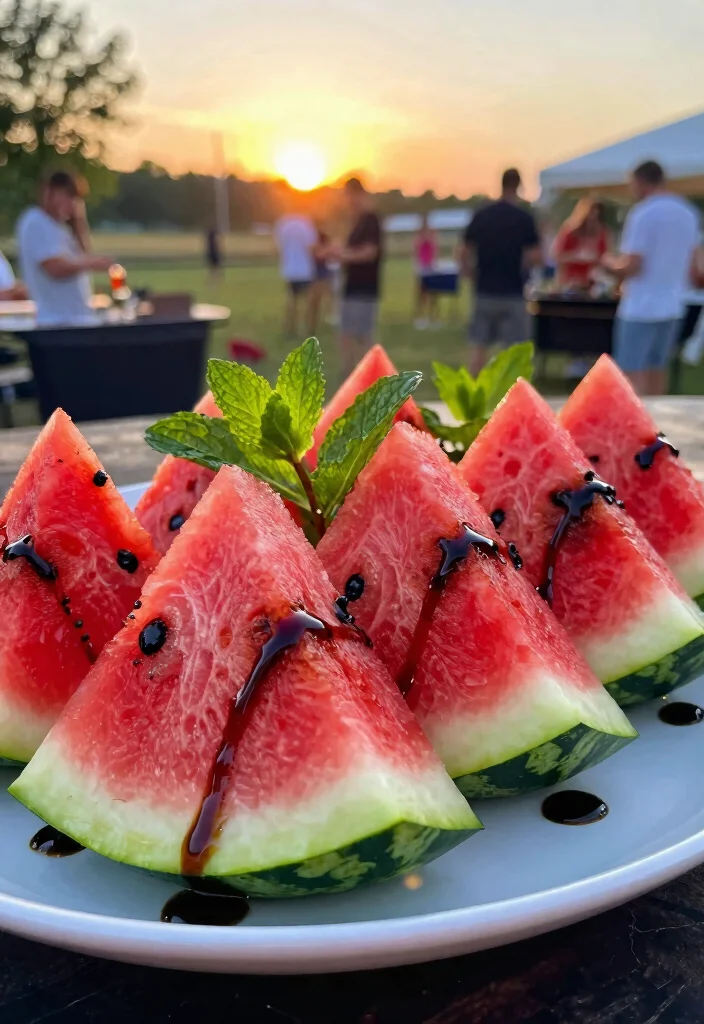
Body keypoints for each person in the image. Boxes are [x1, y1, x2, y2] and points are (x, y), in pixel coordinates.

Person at [602, 160, 700, 396]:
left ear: (640, 181)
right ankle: (654, 428)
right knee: (658, 369)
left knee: (630, 371)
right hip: (674, 304)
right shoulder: (688, 212)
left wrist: (608, 264)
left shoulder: (643, 213)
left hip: (641, 306)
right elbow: (696, 266)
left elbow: (634, 264)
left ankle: (635, 428)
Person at [459, 168, 541, 375]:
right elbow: (535, 256)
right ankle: (511, 399)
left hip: (484, 288)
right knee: (512, 353)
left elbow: (463, 250)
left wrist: (468, 271)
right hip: (513, 290)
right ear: (519, 186)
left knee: (478, 348)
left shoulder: (482, 214)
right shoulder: (524, 217)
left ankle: (473, 397)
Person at [16, 170, 111, 326]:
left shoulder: (60, 228)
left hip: (75, 319)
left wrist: (79, 222)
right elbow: (54, 268)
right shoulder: (36, 222)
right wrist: (91, 263)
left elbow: (83, 252)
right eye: (68, 196)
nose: (72, 203)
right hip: (55, 321)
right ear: (50, 193)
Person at [325, 177, 383, 377]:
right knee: (346, 332)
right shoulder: (357, 221)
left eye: (349, 195)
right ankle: (351, 372)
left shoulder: (370, 220)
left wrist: (342, 255)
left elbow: (369, 252)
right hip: (351, 286)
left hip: (364, 287)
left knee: (363, 336)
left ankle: (372, 374)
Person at [274, 200, 317, 337]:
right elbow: (311, 247)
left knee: (292, 301)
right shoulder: (306, 224)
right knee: (308, 302)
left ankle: (289, 328)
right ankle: (307, 330)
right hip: (305, 269)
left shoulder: (282, 224)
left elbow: (278, 246)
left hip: (290, 269)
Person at [553, 199, 610, 291]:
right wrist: (575, 256)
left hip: (591, 284)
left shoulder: (601, 234)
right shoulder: (570, 232)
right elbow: (557, 256)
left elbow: (604, 258)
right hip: (569, 283)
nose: (592, 220)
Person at [414, 215, 439, 328]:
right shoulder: (420, 238)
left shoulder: (431, 237)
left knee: (433, 293)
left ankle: (432, 316)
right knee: (422, 294)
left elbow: (434, 251)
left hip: (430, 267)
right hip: (423, 268)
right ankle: (421, 317)